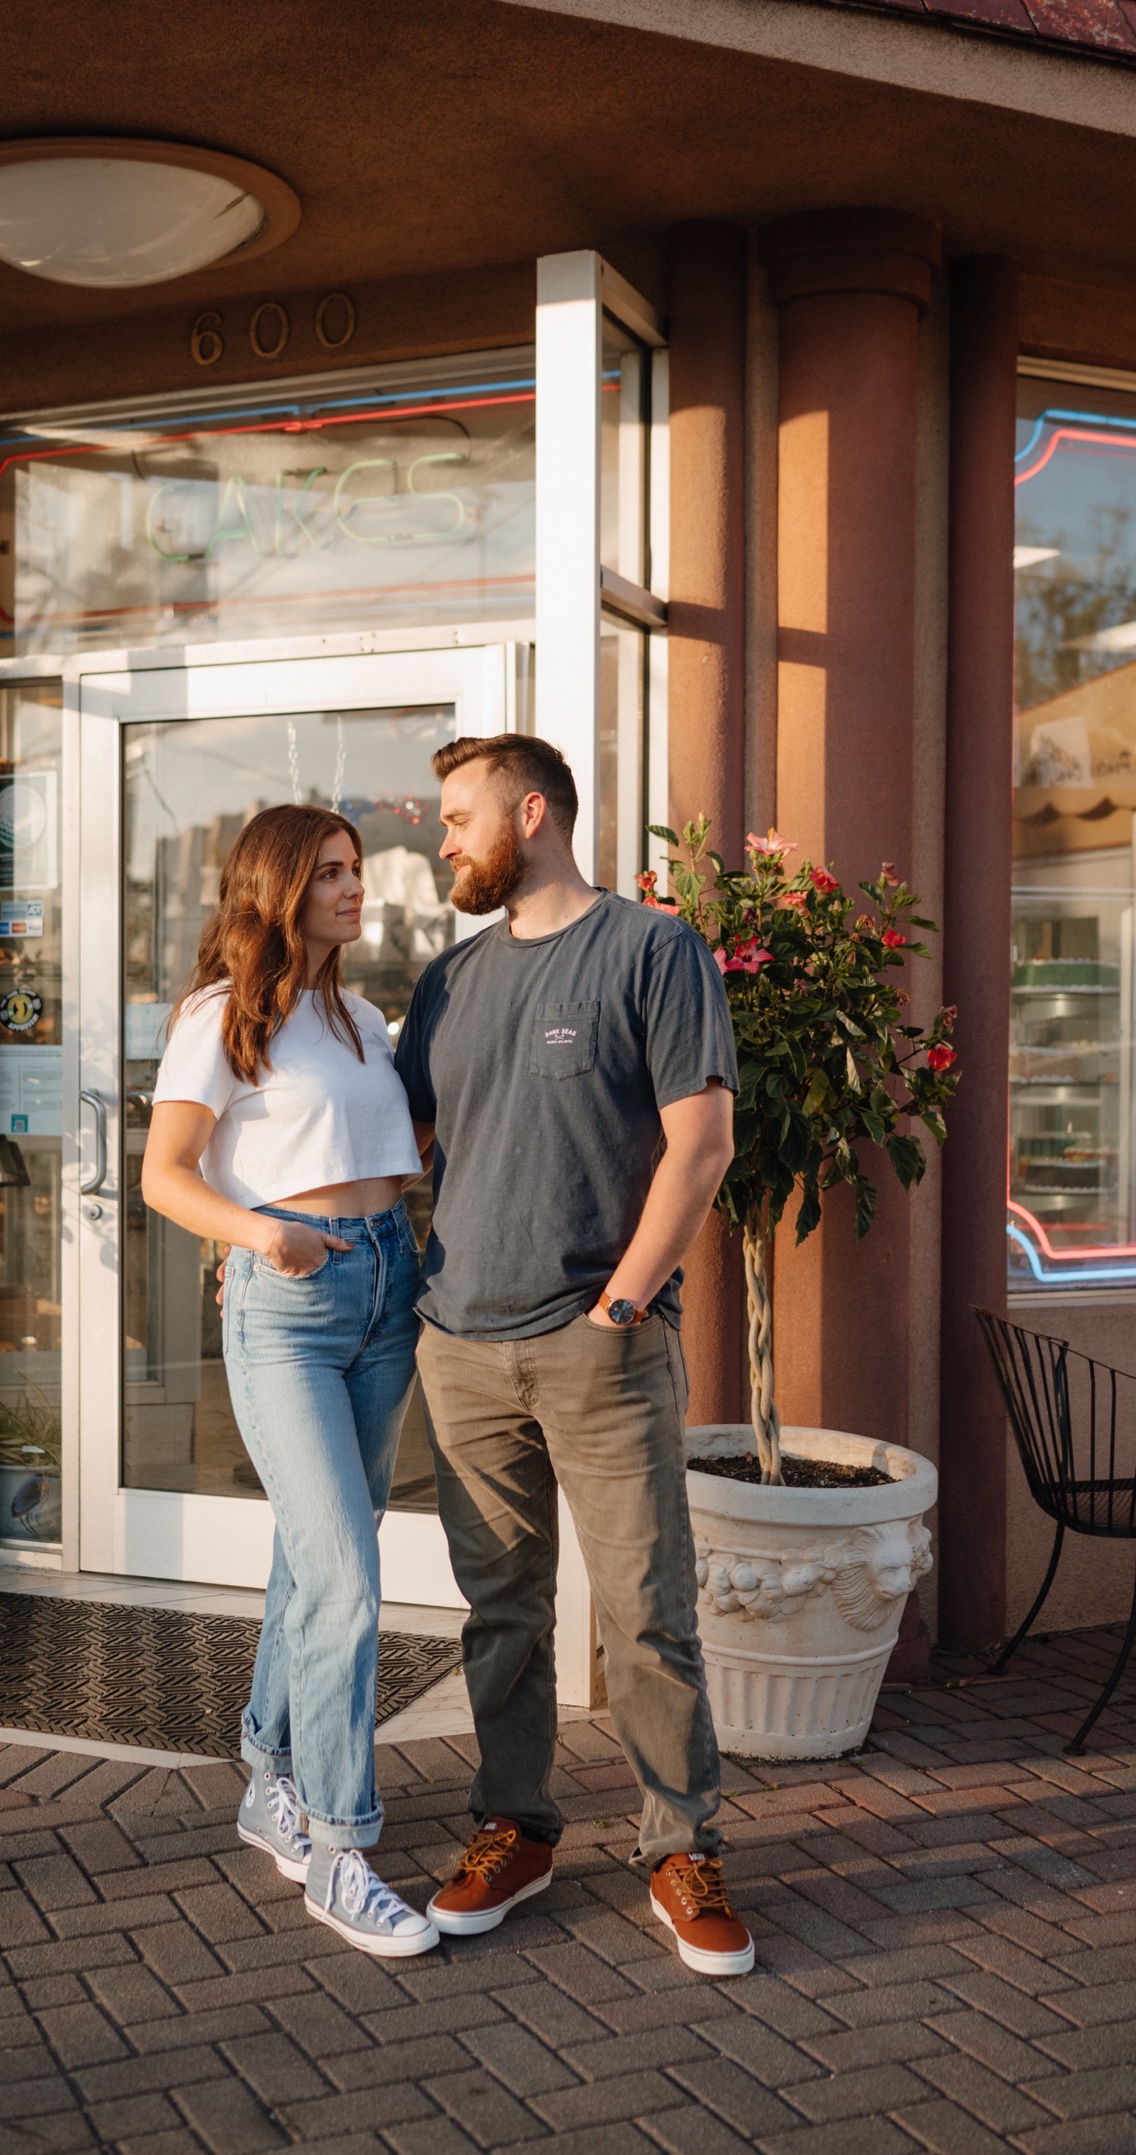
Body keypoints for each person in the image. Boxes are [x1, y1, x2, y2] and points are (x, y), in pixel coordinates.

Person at [394, 734, 755, 1976]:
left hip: (597, 1346)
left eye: (457, 815)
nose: (441, 838)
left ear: (531, 812)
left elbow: (698, 1142)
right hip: (462, 1349)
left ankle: (680, 1842)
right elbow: (405, 1147)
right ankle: (515, 1823)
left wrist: (624, 1303)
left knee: (648, 1610)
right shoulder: (445, 980)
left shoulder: (651, 952)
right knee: (501, 1611)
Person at [142, 803, 438, 1958]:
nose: (356, 888)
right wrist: (259, 1239)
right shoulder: (224, 1016)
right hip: (293, 1300)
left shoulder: (362, 1016)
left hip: (385, 1289)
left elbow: (391, 1152)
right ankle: (337, 1847)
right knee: (348, 1577)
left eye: (358, 870)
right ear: (277, 889)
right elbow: (166, 1173)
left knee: (311, 1559)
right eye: (331, 873)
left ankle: (268, 1774)